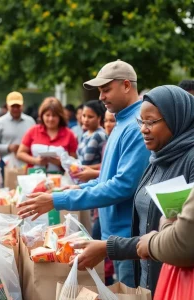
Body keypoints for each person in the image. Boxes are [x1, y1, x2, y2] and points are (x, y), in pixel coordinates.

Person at [17, 60, 151, 287]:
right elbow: (107, 179)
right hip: (117, 234)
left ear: (127, 85)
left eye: (106, 90)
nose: (101, 97)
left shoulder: (135, 126)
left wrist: (58, 199)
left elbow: (123, 185)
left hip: (129, 236)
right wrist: (78, 188)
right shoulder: (122, 122)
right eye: (100, 91)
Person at [70, 85, 194, 296]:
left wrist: (110, 248)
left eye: (151, 122)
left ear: (176, 118)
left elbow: (183, 239)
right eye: (141, 121)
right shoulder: (157, 158)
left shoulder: (189, 160)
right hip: (151, 278)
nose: (143, 129)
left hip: (180, 283)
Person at [17, 97, 78, 173]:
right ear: (42, 116)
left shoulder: (69, 134)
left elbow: (73, 160)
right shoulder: (33, 131)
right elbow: (20, 153)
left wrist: (61, 162)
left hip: (60, 178)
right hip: (34, 176)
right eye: (47, 115)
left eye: (54, 115)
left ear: (60, 116)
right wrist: (36, 161)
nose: (50, 119)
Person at [0, 91, 35, 158]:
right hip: (6, 164)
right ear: (7, 106)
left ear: (23, 105)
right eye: (13, 106)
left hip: (28, 161)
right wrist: (8, 147)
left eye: (18, 106)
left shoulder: (30, 122)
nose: (15, 109)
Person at [74, 100, 107, 182]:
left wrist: (89, 169)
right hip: (81, 179)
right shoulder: (85, 135)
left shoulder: (100, 135)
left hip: (94, 180)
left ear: (99, 118)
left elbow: (106, 162)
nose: (85, 120)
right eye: (84, 116)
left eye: (90, 117)